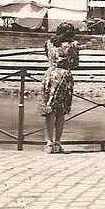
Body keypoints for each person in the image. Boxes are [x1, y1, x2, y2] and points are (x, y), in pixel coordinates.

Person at [39, 23, 80, 153]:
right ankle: (57, 142)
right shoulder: (73, 45)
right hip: (64, 76)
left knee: (49, 109)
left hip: (50, 75)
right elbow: (75, 63)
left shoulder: (48, 43)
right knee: (61, 111)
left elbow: (48, 57)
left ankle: (49, 143)